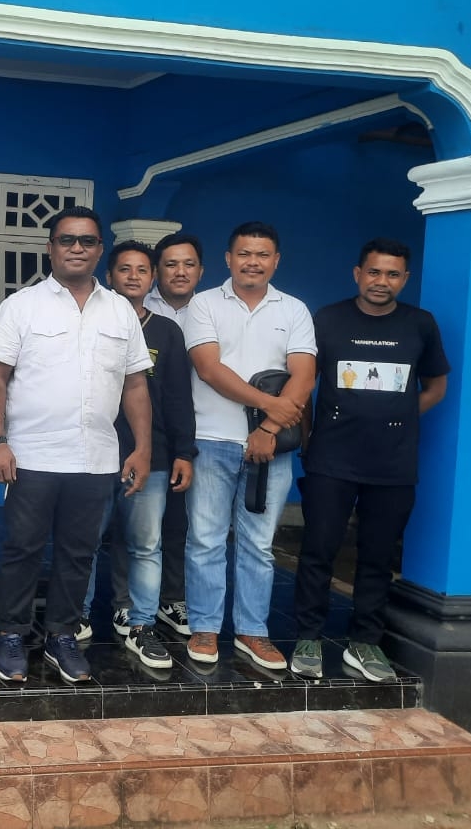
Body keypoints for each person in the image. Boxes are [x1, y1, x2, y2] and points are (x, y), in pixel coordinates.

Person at [0, 206, 153, 684]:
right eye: (67, 240)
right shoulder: (22, 306)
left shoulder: (119, 310)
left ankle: (61, 635)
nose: (77, 248)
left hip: (96, 457)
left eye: (87, 241)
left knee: (79, 552)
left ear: (99, 250)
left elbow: (135, 384)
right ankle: (12, 635)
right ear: (51, 248)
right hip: (32, 455)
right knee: (23, 549)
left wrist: (142, 448)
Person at [290, 238, 448, 682]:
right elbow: (304, 385)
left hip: (393, 464)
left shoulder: (420, 324)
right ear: (357, 274)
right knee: (318, 551)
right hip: (331, 459)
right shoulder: (328, 319)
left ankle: (364, 642)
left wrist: (399, 416)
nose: (382, 281)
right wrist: (307, 440)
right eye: (374, 272)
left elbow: (436, 386)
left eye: (392, 274)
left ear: (405, 279)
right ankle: (308, 637)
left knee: (378, 557)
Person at [183, 221, 316, 670]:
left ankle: (252, 631)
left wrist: (268, 429)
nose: (252, 262)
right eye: (244, 254)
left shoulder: (294, 310)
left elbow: (303, 375)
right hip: (211, 440)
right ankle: (205, 627)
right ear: (228, 258)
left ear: (276, 261)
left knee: (259, 544)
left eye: (262, 255)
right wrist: (269, 407)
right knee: (206, 540)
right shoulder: (203, 304)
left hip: (271, 448)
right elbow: (209, 369)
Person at [82, 242, 197, 670]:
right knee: (84, 539)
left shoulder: (167, 331)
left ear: (153, 279)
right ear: (109, 276)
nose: (133, 276)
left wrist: (184, 451)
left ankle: (140, 622)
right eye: (125, 269)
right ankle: (76, 613)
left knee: (145, 543)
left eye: (142, 270)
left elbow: (179, 398)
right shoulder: (91, 322)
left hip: (154, 454)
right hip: (93, 453)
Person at [136, 230, 207, 638]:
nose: (180, 272)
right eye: (171, 264)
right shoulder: (139, 310)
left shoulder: (212, 309)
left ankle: (172, 598)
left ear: (201, 270)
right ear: (156, 271)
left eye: (189, 264)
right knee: (141, 529)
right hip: (153, 432)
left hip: (204, 429)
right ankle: (131, 604)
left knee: (185, 523)